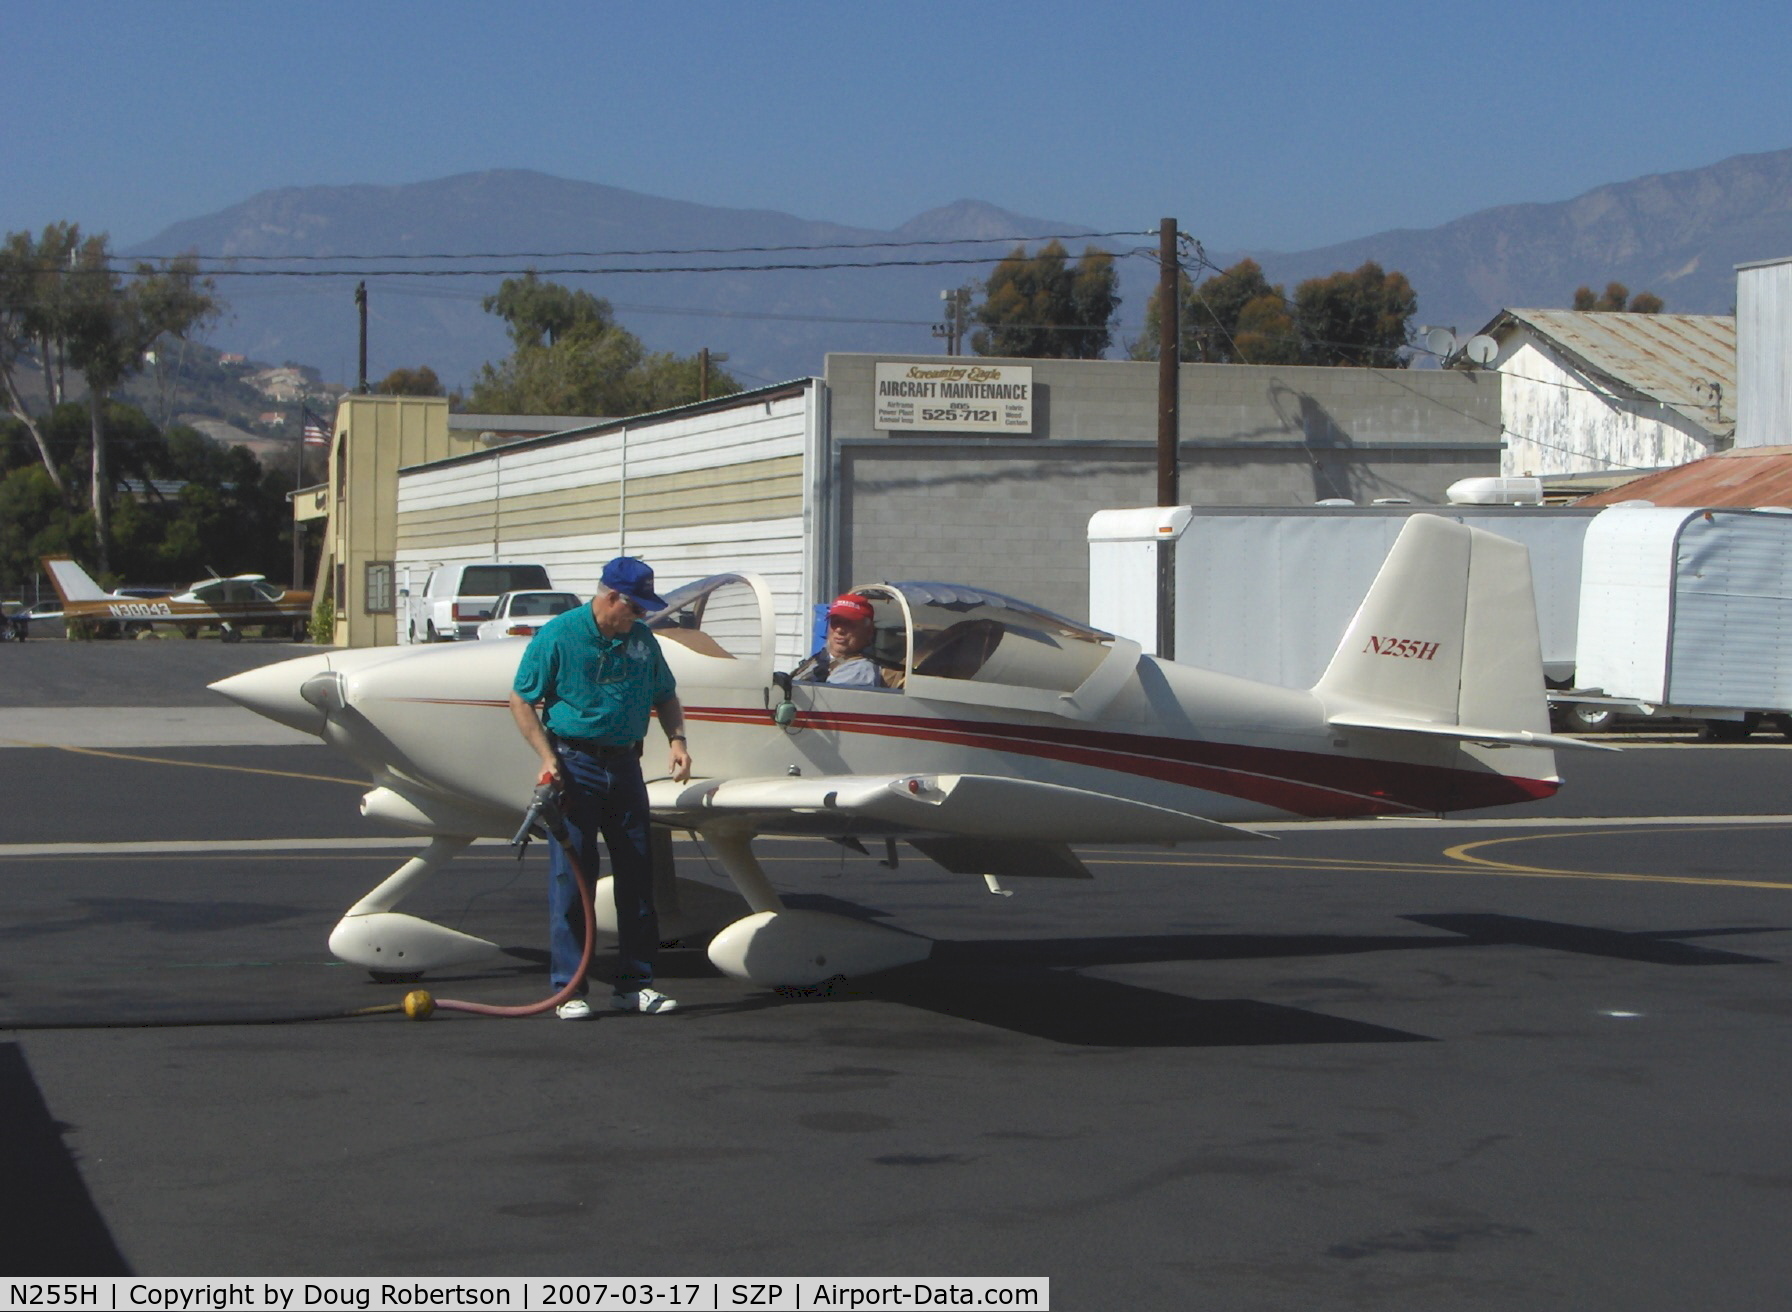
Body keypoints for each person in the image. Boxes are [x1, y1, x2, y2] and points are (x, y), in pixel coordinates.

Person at [508, 556, 692, 1019]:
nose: (639, 618)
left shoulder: (642, 640)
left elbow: (664, 693)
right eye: (634, 609)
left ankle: (636, 983)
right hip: (575, 764)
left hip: (625, 764)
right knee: (572, 877)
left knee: (637, 871)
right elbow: (522, 699)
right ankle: (569, 988)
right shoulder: (559, 636)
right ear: (612, 598)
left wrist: (677, 740)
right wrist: (548, 760)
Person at [798, 593, 903, 688]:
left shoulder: (860, 670)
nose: (839, 629)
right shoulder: (821, 659)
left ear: (868, 631)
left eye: (849, 623)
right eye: (836, 622)